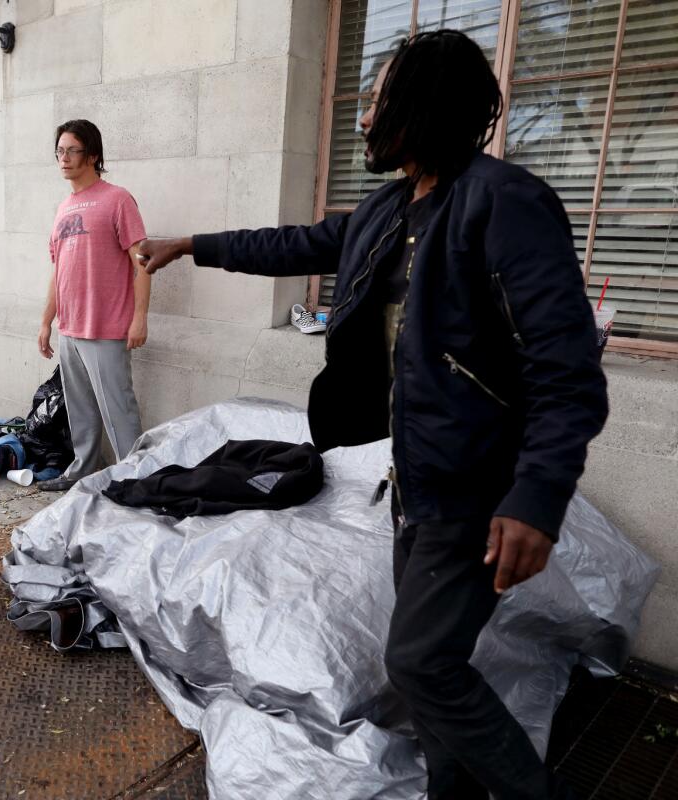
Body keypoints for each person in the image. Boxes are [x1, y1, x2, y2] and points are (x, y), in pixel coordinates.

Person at [137, 30, 605, 800]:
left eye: (378, 97)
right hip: (413, 480)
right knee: (435, 668)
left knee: (421, 663)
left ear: (418, 105)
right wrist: (192, 245)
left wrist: (538, 496)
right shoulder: (389, 209)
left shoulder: (505, 204)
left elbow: (567, 370)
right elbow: (294, 242)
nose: (362, 117)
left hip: (477, 489)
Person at [36, 119, 150, 492]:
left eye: (72, 150)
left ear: (93, 155)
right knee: (80, 409)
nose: (64, 158)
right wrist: (46, 321)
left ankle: (136, 479)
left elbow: (144, 263)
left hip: (107, 327)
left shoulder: (117, 199)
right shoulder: (63, 207)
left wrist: (140, 319)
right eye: (59, 151)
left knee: (119, 410)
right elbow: (58, 269)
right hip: (69, 328)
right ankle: (83, 470)